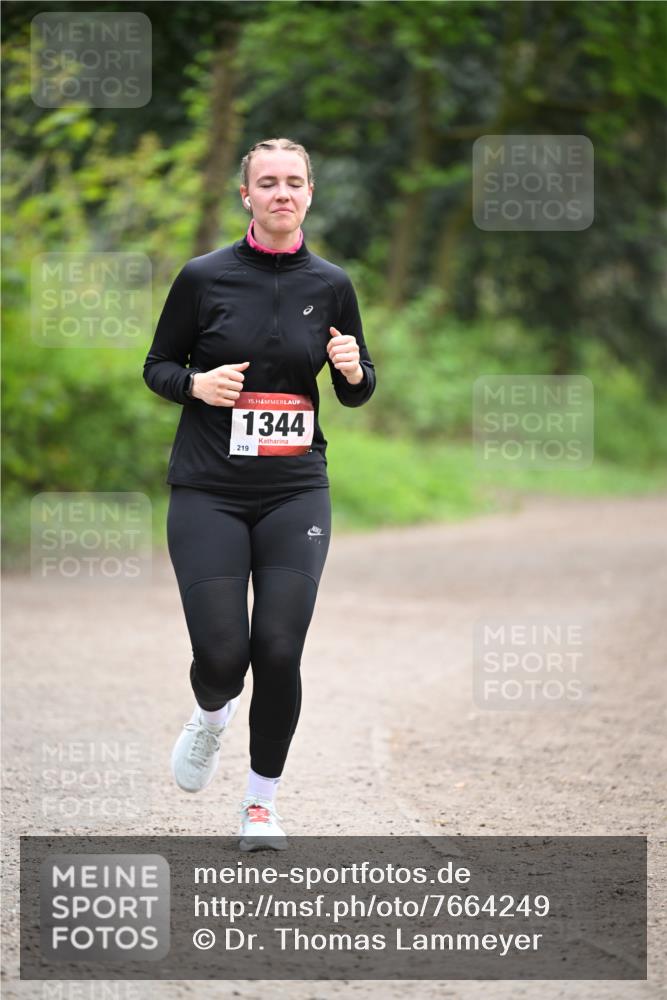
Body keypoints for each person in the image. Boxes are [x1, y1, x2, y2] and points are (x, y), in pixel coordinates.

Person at [143, 137, 376, 851]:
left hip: (294, 490)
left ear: (310, 194)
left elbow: (356, 388)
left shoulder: (331, 284)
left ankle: (259, 806)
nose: (281, 192)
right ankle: (211, 717)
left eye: (294, 182)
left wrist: (352, 368)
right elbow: (157, 365)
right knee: (223, 657)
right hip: (208, 489)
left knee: (278, 647)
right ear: (245, 195)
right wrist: (194, 385)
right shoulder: (203, 276)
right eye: (267, 182)